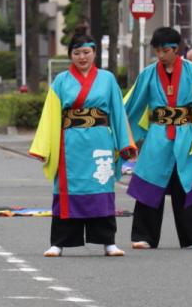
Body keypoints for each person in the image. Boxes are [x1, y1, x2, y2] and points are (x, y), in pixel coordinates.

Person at [123, 26, 192, 250]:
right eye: (157, 50)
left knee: (188, 185)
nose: (160, 55)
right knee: (149, 183)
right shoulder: (148, 74)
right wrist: (119, 130)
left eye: (165, 50)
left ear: (176, 49)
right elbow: (131, 103)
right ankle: (143, 235)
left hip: (185, 134)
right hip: (158, 135)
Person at [30, 34, 136, 258]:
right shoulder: (61, 81)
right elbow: (50, 115)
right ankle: (59, 242)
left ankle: (108, 242)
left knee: (102, 188)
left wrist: (125, 143)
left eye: (86, 52)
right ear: (70, 55)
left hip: (100, 143)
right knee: (67, 190)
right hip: (70, 144)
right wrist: (43, 147)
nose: (82, 57)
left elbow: (118, 112)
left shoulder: (107, 79)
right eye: (76, 53)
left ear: (95, 53)